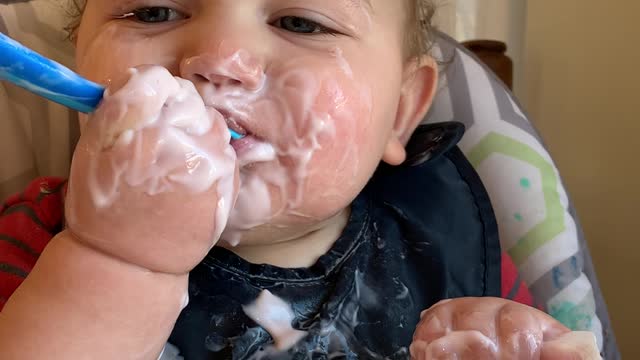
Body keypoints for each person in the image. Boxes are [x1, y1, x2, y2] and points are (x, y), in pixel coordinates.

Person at [0, 0, 593, 359]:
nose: (219, 58)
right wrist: (116, 260)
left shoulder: (451, 246)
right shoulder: (37, 241)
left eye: (301, 22)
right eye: (153, 12)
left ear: (401, 112)